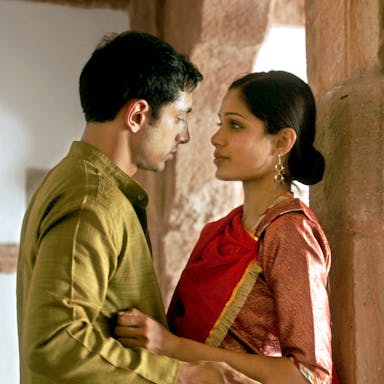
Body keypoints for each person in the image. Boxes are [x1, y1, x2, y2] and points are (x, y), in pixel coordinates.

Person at [16, 31, 259, 384]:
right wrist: (186, 376)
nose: (184, 135)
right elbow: (56, 343)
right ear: (137, 115)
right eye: (179, 117)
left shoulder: (86, 186)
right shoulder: (90, 200)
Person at [115, 70, 336, 384]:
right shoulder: (221, 230)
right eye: (221, 123)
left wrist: (173, 346)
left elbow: (308, 376)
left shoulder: (289, 234)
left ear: (282, 141)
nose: (216, 137)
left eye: (235, 124)